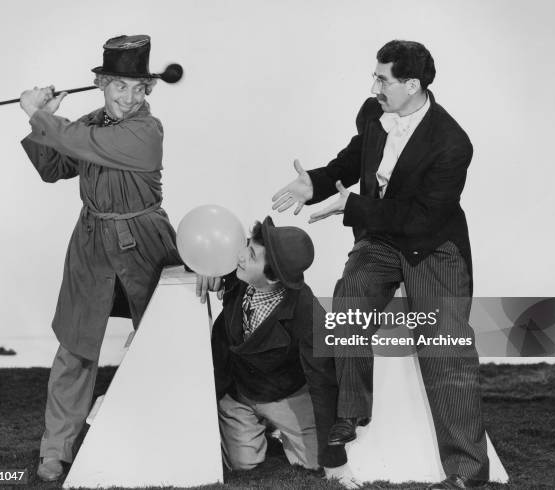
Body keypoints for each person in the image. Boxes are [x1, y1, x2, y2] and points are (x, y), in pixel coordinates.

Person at [272, 40, 489, 489]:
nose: (374, 86)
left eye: (382, 79)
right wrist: (312, 182)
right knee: (350, 297)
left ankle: (467, 474)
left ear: (413, 85)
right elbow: (355, 158)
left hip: (433, 245)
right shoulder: (373, 112)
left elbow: (420, 217)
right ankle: (352, 412)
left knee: (446, 349)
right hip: (383, 240)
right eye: (375, 76)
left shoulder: (452, 144)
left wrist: (350, 207)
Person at [19, 35, 181, 481]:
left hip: (144, 242)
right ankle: (56, 450)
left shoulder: (148, 131)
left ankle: (175, 434)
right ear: (102, 84)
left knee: (162, 343)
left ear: (148, 90)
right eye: (119, 87)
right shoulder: (90, 124)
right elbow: (54, 169)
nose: (129, 98)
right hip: (91, 243)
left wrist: (38, 115)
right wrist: (46, 120)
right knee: (75, 348)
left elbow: (79, 141)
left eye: (138, 88)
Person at [196, 217, 357, 488]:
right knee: (243, 464)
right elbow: (199, 251)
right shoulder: (236, 273)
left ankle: (284, 432)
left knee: (314, 462)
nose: (240, 256)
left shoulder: (308, 314)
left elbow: (323, 383)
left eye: (251, 255)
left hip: (285, 394)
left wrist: (335, 461)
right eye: (248, 246)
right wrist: (203, 268)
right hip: (239, 390)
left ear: (272, 276)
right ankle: (251, 427)